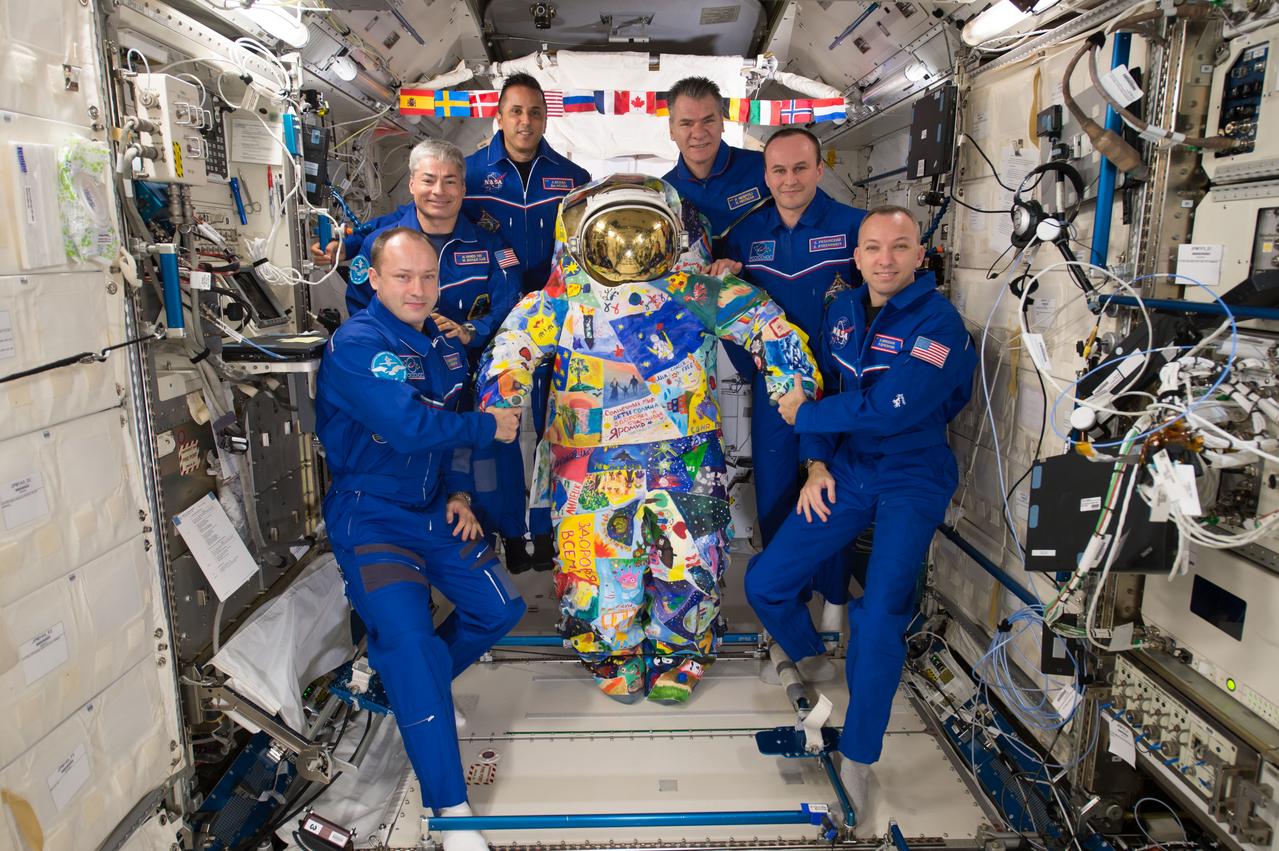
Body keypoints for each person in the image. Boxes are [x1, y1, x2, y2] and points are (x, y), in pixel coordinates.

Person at [477, 175, 820, 704]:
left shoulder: (695, 292)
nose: (629, 251)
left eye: (643, 236)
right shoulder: (563, 300)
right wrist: (502, 398)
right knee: (595, 568)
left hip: (684, 459)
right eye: (614, 237)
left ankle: (680, 652)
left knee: (691, 564)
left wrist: (791, 383)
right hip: (589, 463)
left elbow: (767, 324)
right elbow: (513, 342)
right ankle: (611, 651)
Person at [744, 206, 976, 826]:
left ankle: (860, 757)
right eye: (873, 247)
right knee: (765, 582)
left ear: (919, 255)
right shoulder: (843, 310)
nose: (885, 259)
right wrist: (817, 463)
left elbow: (887, 409)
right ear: (857, 255)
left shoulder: (940, 324)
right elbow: (820, 384)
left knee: (878, 617)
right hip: (846, 469)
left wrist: (805, 422)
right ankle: (811, 657)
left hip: (911, 473)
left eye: (900, 247)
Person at [316, 227, 526, 851]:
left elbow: (451, 426)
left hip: (433, 508)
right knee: (408, 641)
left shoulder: (441, 340)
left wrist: (460, 493)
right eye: (402, 277)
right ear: (373, 279)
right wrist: (489, 426)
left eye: (428, 277)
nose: (417, 289)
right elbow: (409, 428)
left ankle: (411, 687)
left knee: (501, 609)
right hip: (372, 513)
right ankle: (451, 813)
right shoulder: (360, 344)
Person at [708, 127, 867, 640]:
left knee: (833, 492)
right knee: (776, 492)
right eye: (778, 170)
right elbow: (731, 313)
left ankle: (836, 597)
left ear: (820, 170)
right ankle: (787, 601)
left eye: (801, 168)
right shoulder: (746, 235)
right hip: (777, 386)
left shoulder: (853, 227)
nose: (790, 179)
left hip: (840, 386)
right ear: (766, 176)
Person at [343, 140, 525, 566]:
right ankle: (422, 547)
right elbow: (360, 302)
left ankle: (507, 531)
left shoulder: (491, 242)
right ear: (411, 183)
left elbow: (512, 303)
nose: (439, 190)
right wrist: (405, 339)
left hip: (479, 368)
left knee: (492, 448)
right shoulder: (379, 242)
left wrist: (469, 331)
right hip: (406, 374)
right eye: (428, 179)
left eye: (450, 181)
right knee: (413, 448)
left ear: (464, 188)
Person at [464, 72, 593, 571]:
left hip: (556, 323)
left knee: (555, 428)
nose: (525, 121)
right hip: (496, 323)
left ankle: (549, 528)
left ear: (546, 116)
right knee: (501, 429)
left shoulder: (571, 178)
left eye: (535, 112)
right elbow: (423, 214)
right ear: (498, 115)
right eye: (515, 111)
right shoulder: (471, 175)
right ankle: (511, 534)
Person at [662, 77, 770, 242]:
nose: (698, 133)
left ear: (722, 122)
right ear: (671, 130)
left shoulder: (765, 167)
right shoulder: (664, 193)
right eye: (686, 124)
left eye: (708, 121)